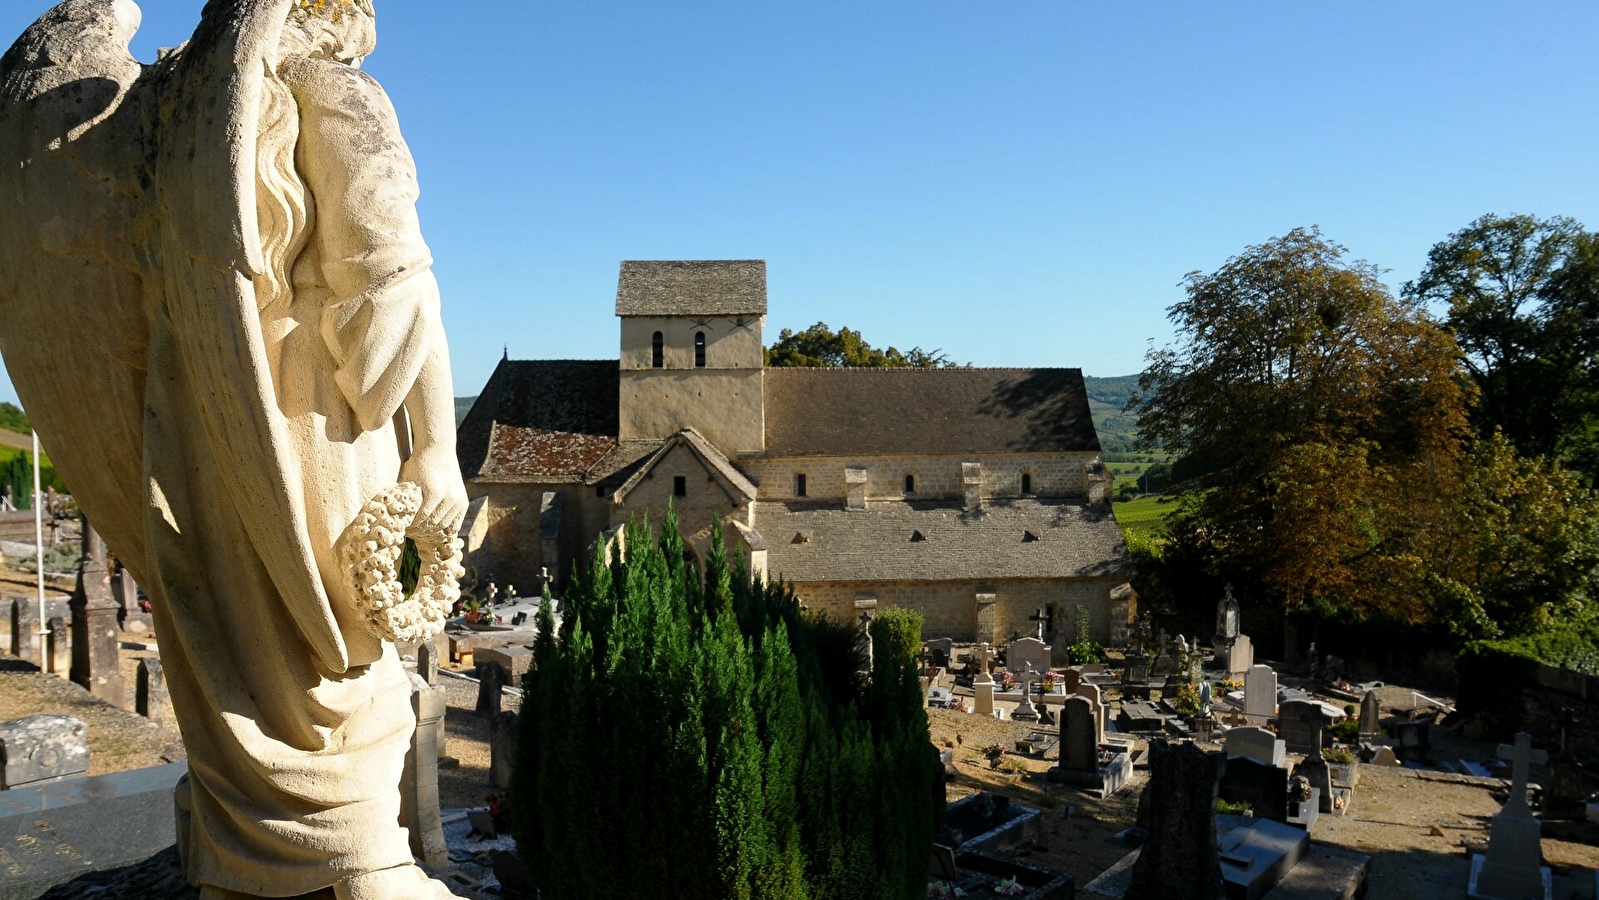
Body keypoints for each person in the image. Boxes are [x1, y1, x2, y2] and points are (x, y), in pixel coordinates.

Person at [0, 1, 465, 897]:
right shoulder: (336, 93)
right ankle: (358, 861)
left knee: (228, 628)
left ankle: (239, 863)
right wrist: (434, 451)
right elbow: (397, 290)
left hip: (197, 422)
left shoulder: (169, 119)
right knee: (336, 659)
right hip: (314, 424)